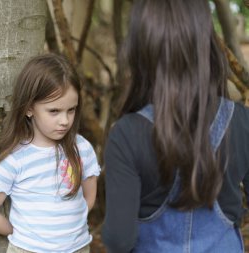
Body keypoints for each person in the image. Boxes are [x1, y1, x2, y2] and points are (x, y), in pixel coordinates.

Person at [102, 0, 249, 252]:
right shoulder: (242, 121)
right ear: (206, 43)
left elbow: (119, 239)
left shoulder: (125, 134)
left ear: (140, 47)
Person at [0, 53, 100, 253]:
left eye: (71, 110)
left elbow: (89, 198)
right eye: (54, 111)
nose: (65, 121)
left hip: (78, 248)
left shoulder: (81, 148)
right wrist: (22, 234)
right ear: (29, 108)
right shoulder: (14, 158)